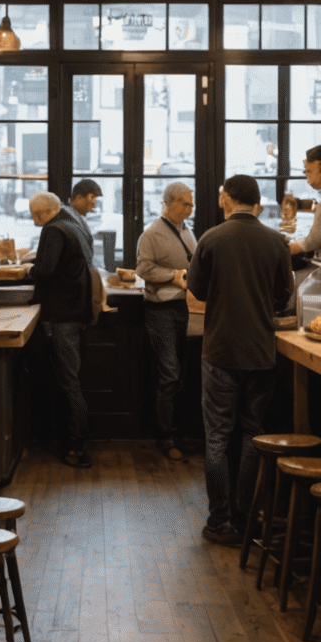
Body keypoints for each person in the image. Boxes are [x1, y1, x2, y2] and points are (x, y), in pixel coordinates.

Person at [187, 175, 293, 544]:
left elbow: (196, 291)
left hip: (219, 351)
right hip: (261, 352)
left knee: (217, 436)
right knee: (252, 433)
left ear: (227, 199)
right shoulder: (277, 241)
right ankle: (247, 515)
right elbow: (284, 296)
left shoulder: (212, 239)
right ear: (257, 202)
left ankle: (220, 521)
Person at [29, 190, 94, 467]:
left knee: (68, 383)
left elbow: (45, 269)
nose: (33, 219)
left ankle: (75, 447)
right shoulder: (72, 224)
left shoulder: (53, 230)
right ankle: (73, 442)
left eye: (34, 214)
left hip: (61, 315)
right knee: (71, 380)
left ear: (43, 212)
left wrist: (25, 270)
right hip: (76, 311)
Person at [135, 181, 196, 462]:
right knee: (169, 373)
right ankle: (166, 436)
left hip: (183, 308)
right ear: (168, 202)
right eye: (185, 202)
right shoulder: (152, 234)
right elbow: (144, 269)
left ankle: (179, 432)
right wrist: (173, 276)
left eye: (191, 202)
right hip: (161, 311)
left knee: (180, 375)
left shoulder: (187, 230)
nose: (190, 206)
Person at [59, 178, 101, 267]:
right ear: (79, 197)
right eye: (92, 197)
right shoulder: (68, 218)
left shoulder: (76, 217)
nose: (94, 203)